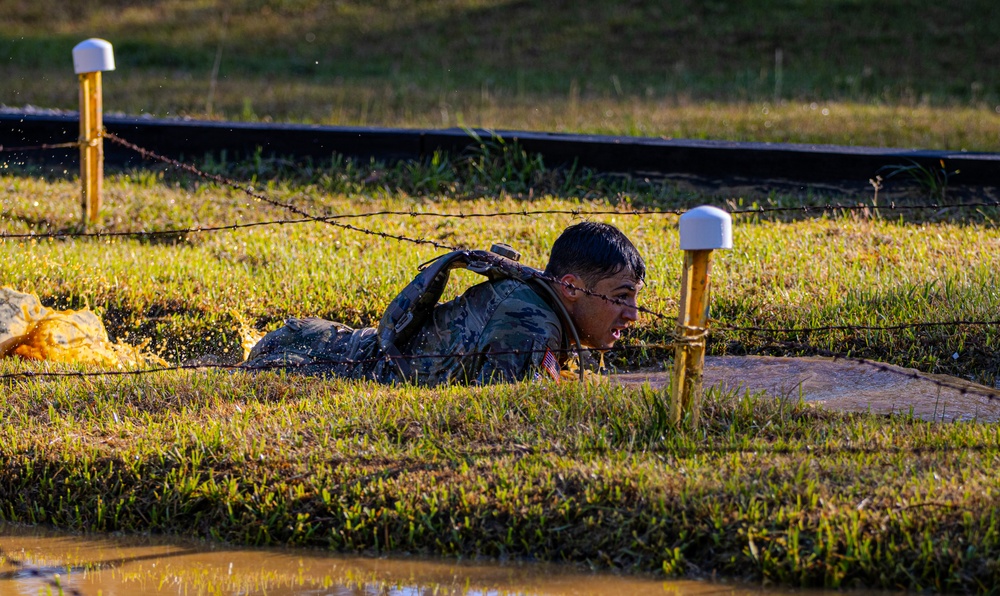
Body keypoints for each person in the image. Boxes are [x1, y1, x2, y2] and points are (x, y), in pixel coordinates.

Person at [242, 221, 645, 385]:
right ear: (571, 287)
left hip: (321, 342)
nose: (632, 315)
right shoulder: (531, 321)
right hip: (305, 354)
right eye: (622, 297)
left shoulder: (538, 305)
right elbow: (511, 415)